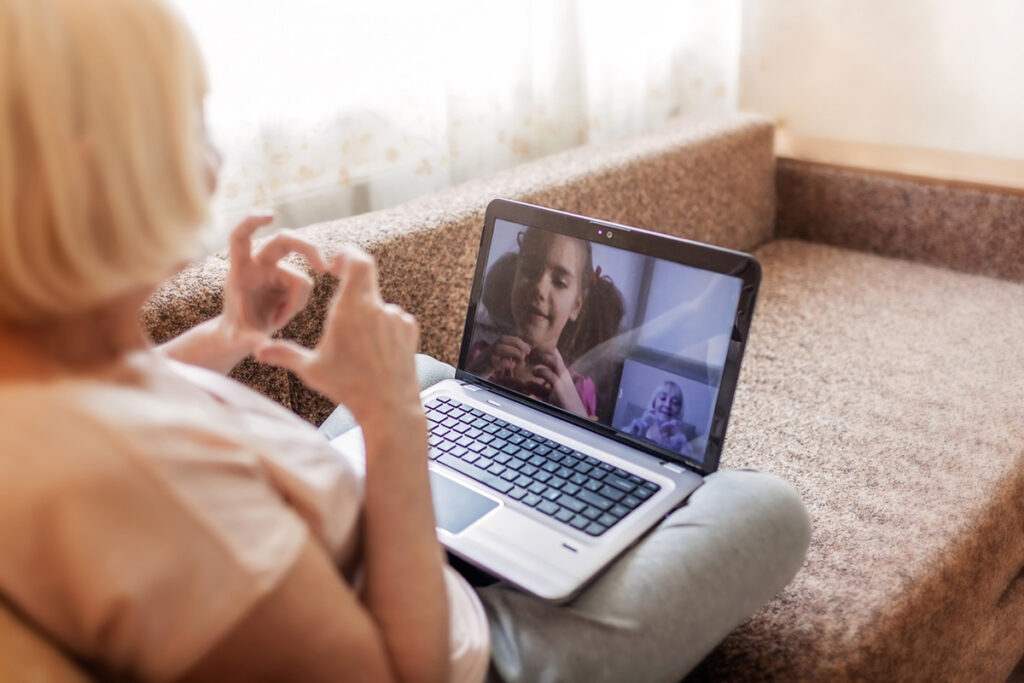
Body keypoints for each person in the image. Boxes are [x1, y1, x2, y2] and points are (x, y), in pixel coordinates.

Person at [0, 1, 811, 681]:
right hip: (467, 646)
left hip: (355, 541)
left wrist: (231, 333)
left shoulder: (39, 378)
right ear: (98, 171)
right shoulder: (162, 499)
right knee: (766, 506)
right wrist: (391, 422)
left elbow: (123, 391)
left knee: (432, 373)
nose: (212, 164)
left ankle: (485, 495)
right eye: (189, 122)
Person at [468, 228, 624, 419]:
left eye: (559, 282)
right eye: (530, 270)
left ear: (576, 305)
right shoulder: (481, 357)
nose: (539, 288)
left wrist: (576, 414)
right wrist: (475, 374)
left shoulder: (578, 389)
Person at [624, 380, 694, 457]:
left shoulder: (681, 441)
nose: (667, 405)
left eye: (674, 402)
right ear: (654, 403)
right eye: (663, 398)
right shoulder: (639, 426)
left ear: (679, 411)